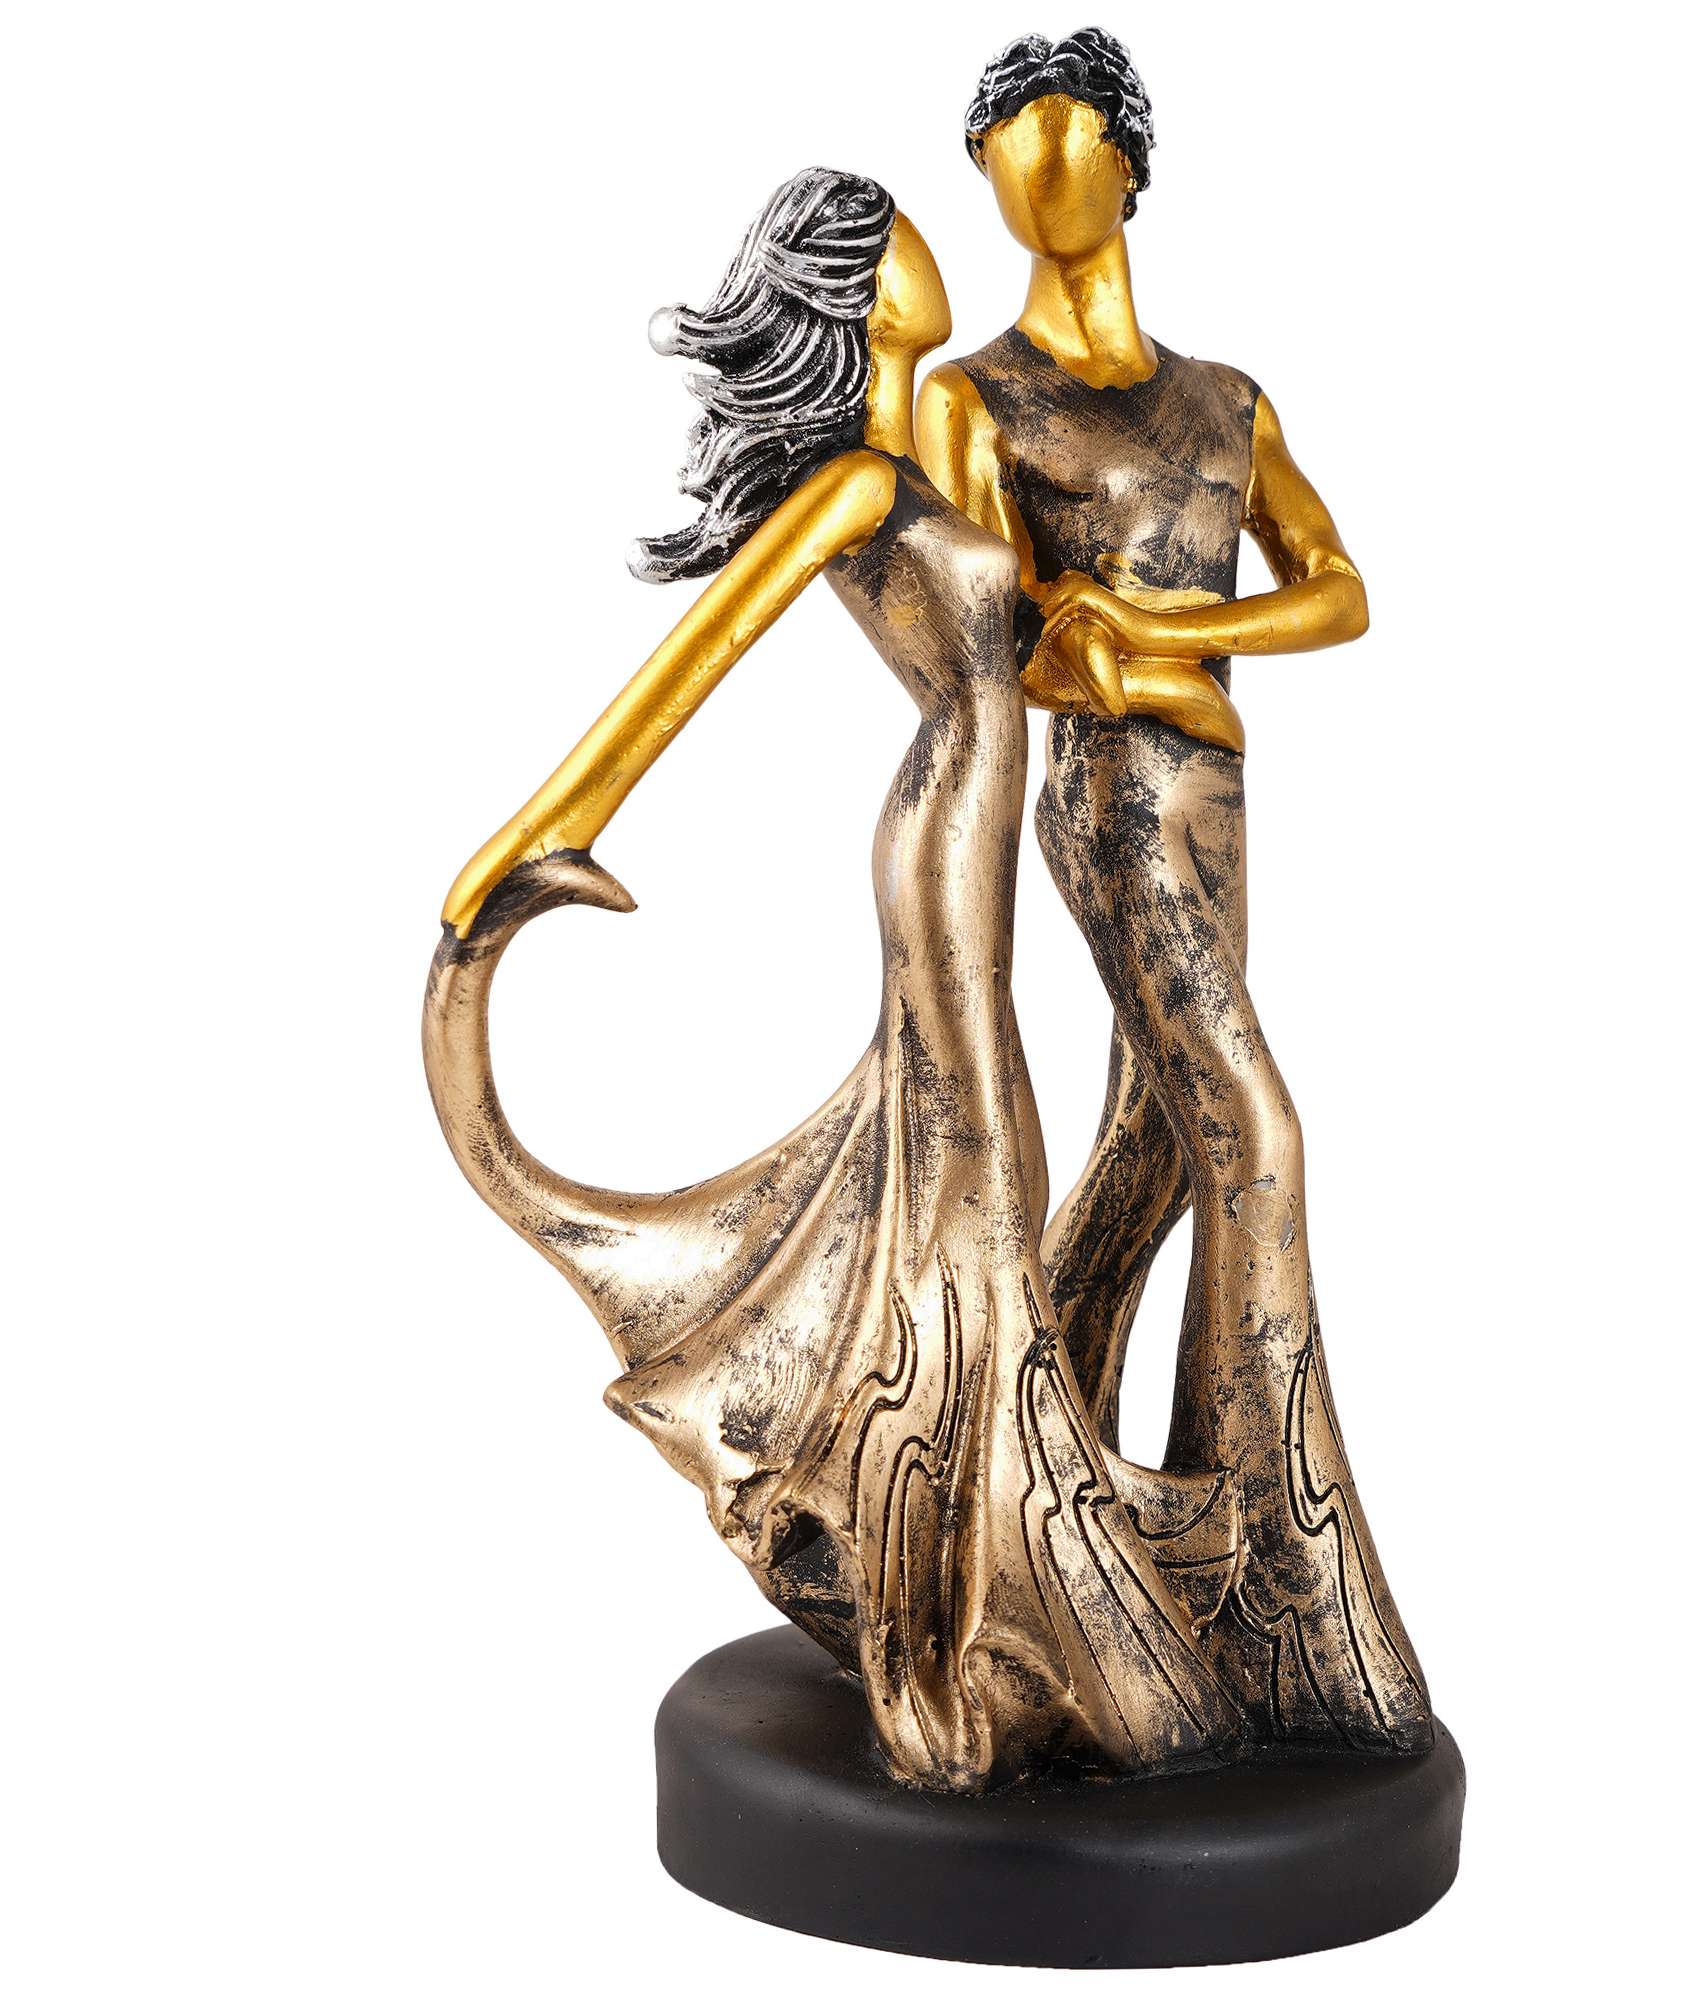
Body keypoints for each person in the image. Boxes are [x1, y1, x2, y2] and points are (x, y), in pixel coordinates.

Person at [422, 168, 1237, 1792]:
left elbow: (1027, 636)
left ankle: (973, 1563)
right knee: (977, 1191)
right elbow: (696, 654)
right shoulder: (857, 482)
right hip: (941, 837)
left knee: (980, 1186)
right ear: (858, 289)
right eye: (896, 234)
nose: (931, 239)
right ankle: (950, 1632)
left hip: (983, 825)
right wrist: (537, 836)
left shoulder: (915, 453)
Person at [919, 31, 1433, 1753]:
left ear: (1132, 163)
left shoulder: (1226, 402)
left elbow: (1340, 589)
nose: (1036, 166)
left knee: (1157, 1147)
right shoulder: (975, 400)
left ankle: (1022, 1489)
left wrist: (1155, 634)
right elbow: (987, 652)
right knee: (1256, 1132)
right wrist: (1129, 669)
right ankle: (1290, 1584)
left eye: (1066, 134)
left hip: (1220, 794)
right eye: (1004, 141)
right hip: (1113, 803)